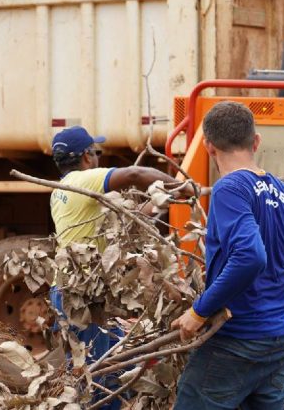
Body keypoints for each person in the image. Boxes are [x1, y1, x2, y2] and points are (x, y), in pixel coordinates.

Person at [172, 101, 284, 409]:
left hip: (239, 337)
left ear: (210, 148)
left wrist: (199, 312)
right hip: (280, 337)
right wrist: (268, 279)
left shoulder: (230, 188)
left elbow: (250, 257)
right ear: (256, 141)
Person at [48, 125, 187, 408]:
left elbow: (122, 221)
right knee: (102, 376)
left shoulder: (60, 191)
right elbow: (135, 174)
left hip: (70, 291)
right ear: (87, 156)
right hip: (82, 296)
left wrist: (159, 202)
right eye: (95, 152)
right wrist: (181, 186)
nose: (97, 158)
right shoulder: (84, 179)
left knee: (89, 367)